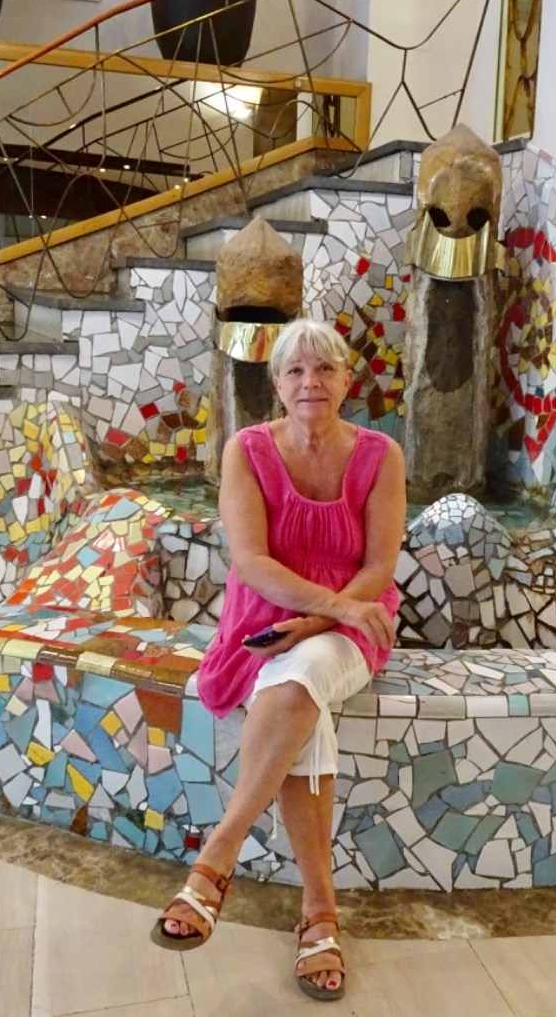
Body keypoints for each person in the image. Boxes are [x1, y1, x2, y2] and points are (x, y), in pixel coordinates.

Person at [150, 317, 405, 1002]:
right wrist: (314, 617)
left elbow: (379, 568)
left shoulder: (381, 455)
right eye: (295, 370)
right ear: (277, 383)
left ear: (347, 381)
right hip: (265, 620)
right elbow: (252, 562)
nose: (309, 381)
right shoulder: (248, 450)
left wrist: (327, 618)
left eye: (324, 369)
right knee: (301, 696)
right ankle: (318, 912)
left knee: (305, 671)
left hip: (355, 620)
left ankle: (217, 855)